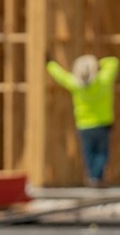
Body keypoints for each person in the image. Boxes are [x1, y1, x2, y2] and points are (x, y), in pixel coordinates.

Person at [47, 54, 118, 188]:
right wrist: (98, 63)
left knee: (89, 153)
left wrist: (50, 64)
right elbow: (113, 62)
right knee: (102, 153)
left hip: (84, 125)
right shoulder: (103, 81)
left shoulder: (76, 84)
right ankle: (97, 177)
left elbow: (61, 76)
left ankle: (93, 177)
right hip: (103, 123)